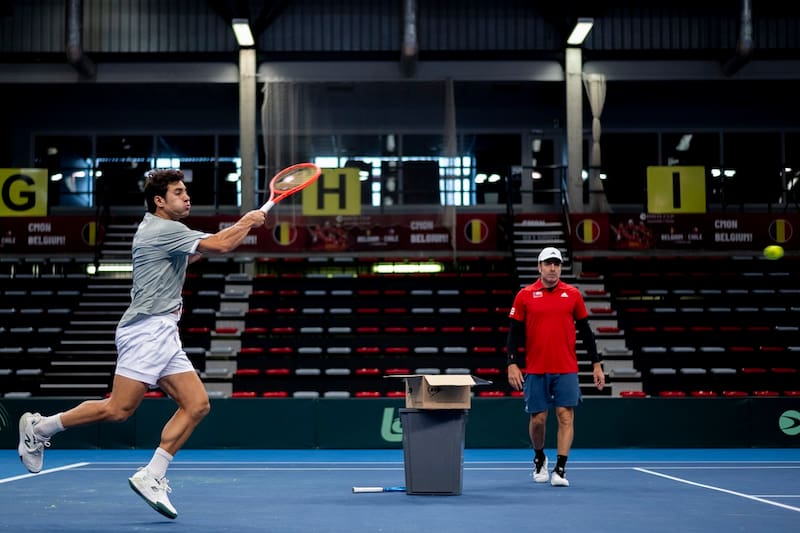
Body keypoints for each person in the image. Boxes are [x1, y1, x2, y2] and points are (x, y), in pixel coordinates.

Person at [17, 169, 266, 519]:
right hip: (146, 330)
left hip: (164, 330)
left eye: (186, 191)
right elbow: (221, 245)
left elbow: (198, 253)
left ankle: (153, 474)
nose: (187, 197)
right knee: (118, 410)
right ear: (160, 201)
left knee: (196, 405)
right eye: (179, 192)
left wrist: (232, 232)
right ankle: (40, 427)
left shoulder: (164, 231)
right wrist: (247, 222)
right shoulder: (163, 229)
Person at [506, 246, 605, 487]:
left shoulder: (573, 295)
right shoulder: (524, 295)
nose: (553, 268)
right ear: (539, 267)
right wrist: (512, 363)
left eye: (557, 264)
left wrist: (596, 363)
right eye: (548, 264)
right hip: (536, 368)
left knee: (565, 416)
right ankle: (540, 459)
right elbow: (514, 333)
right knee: (538, 419)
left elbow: (585, 331)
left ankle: (560, 469)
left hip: (566, 368)